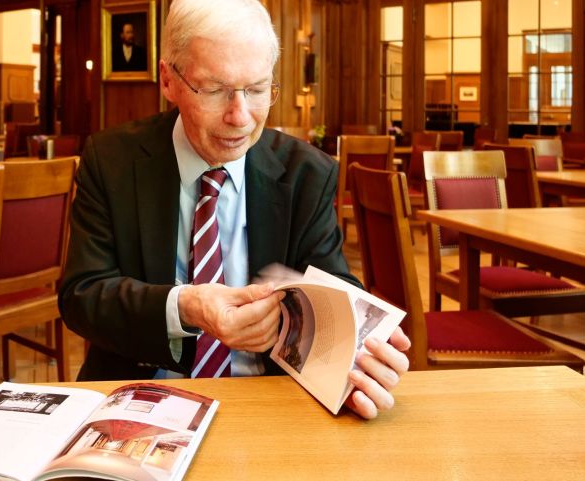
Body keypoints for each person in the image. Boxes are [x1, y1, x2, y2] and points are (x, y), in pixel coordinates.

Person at [59, 0, 410, 420]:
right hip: (136, 396)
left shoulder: (306, 174)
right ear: (169, 80)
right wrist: (187, 307)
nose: (240, 117)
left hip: (270, 403)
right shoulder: (112, 159)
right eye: (214, 90)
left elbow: (332, 289)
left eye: (257, 89)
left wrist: (357, 357)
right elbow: (82, 295)